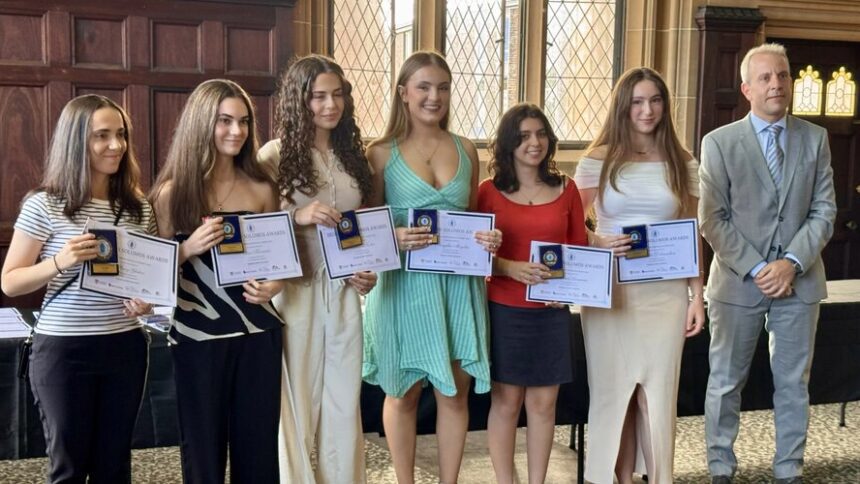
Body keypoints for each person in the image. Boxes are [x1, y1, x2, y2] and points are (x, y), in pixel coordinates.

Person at [361, 50, 502, 484]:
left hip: (457, 289)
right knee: (402, 393)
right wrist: (393, 237)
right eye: (423, 87)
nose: (433, 96)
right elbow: (364, 229)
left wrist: (488, 239)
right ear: (403, 93)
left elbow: (472, 219)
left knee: (454, 393)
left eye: (442, 87)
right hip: (402, 287)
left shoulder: (466, 149)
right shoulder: (379, 153)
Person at [700, 43, 836, 484]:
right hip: (738, 283)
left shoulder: (815, 138)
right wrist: (760, 268)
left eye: (782, 75)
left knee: (794, 383)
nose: (776, 83)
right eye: (765, 77)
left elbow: (824, 211)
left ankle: (789, 470)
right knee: (725, 381)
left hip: (800, 281)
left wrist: (792, 262)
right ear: (746, 89)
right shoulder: (719, 143)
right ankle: (720, 468)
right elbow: (712, 219)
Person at [1, 94, 155, 483]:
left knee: (114, 466)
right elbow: (10, 281)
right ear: (76, 141)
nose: (116, 145)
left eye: (121, 134)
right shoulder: (45, 205)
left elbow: (147, 282)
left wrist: (146, 303)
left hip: (125, 346)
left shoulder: (139, 207)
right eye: (101, 135)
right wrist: (60, 261)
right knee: (68, 467)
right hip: (64, 350)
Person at [572, 67, 705, 484]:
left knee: (656, 397)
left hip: (665, 295)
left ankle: (661, 478)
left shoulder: (683, 161)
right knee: (615, 396)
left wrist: (697, 296)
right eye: (638, 102)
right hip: (612, 290)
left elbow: (691, 232)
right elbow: (571, 223)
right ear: (623, 107)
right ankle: (617, 479)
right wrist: (597, 240)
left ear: (665, 105)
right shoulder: (599, 159)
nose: (647, 110)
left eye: (655, 100)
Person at [150, 79, 285, 484]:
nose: (236, 131)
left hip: (258, 333)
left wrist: (276, 285)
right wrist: (188, 248)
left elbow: (278, 261)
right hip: (198, 336)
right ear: (201, 123)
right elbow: (153, 277)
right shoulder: (172, 193)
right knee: (202, 453)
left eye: (243, 122)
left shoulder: (262, 188)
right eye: (224, 121)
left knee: (258, 451)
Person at [258, 54, 377, 484]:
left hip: (344, 292)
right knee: (296, 404)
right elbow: (255, 226)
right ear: (299, 99)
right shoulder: (274, 155)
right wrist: (297, 216)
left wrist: (368, 270)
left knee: (344, 402)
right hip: (294, 290)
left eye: (337, 94)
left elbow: (363, 228)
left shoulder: (354, 156)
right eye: (319, 96)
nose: (331, 105)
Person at [477, 103, 587, 484]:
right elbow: (473, 257)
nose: (534, 143)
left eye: (540, 134)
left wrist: (567, 290)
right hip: (504, 310)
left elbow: (578, 251)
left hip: (551, 313)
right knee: (506, 402)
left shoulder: (567, 189)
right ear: (508, 143)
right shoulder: (487, 192)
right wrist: (510, 268)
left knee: (543, 403)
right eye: (523, 136)